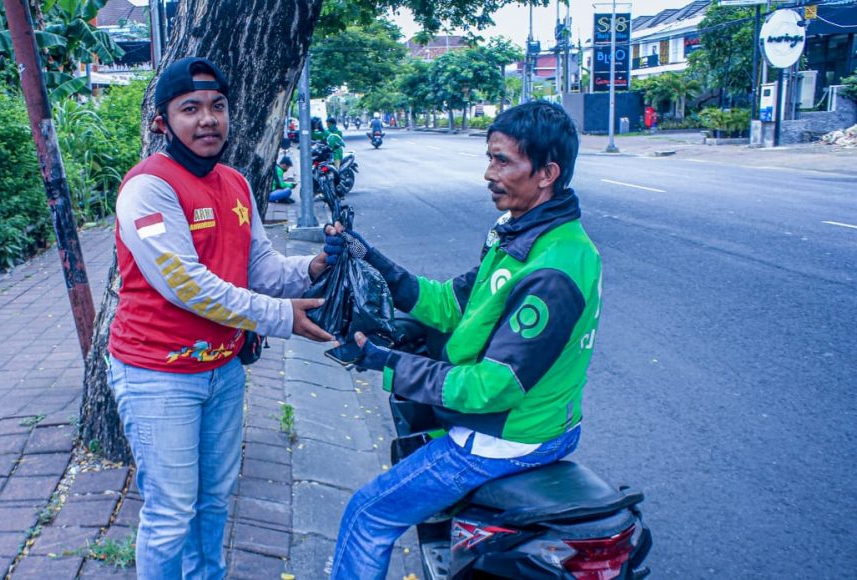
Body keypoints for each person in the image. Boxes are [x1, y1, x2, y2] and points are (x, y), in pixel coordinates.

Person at [325, 101, 601, 579]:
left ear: (546, 174)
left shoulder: (553, 268)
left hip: (505, 435)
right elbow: (448, 304)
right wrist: (368, 255)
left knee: (367, 515)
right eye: (490, 158)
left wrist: (384, 361)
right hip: (533, 421)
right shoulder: (521, 237)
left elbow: (490, 387)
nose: (489, 174)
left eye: (503, 161)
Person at [108, 56, 337, 580]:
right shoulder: (148, 188)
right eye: (190, 108)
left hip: (223, 370)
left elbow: (261, 268)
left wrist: (313, 267)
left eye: (218, 106)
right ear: (162, 122)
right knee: (170, 514)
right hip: (157, 374)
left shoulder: (235, 182)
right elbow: (185, 284)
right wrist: (280, 317)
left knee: (213, 501)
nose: (208, 119)